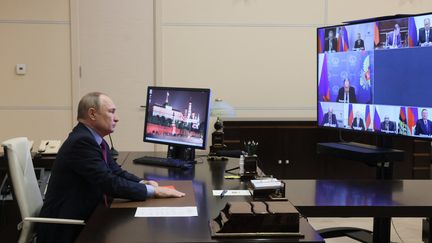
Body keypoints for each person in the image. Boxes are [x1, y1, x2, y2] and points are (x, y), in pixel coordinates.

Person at [37, 92, 185, 243]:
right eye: (111, 112)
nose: (117, 118)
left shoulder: (94, 139)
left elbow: (115, 171)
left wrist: (142, 183)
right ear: (92, 114)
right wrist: (154, 191)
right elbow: (109, 183)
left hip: (89, 217)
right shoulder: (81, 142)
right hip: (68, 229)